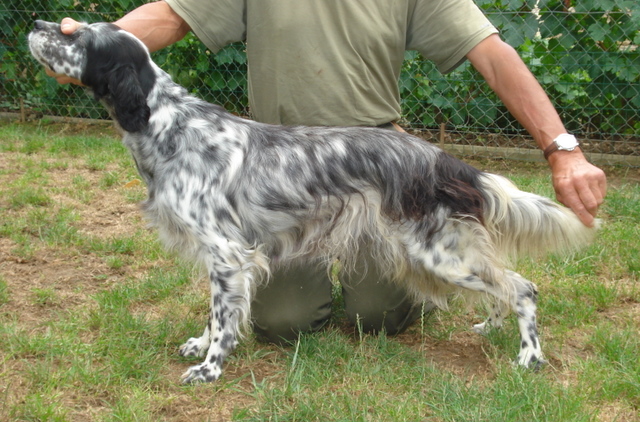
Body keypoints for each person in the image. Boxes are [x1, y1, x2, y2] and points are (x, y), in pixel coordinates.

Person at [48, 0, 606, 344]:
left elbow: (492, 53)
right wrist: (99, 44)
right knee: (283, 323)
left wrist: (562, 148)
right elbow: (172, 15)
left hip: (376, 171)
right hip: (277, 171)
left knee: (378, 317)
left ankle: (498, 289)